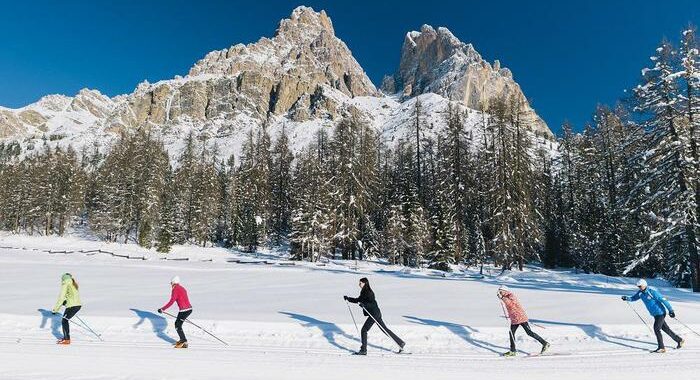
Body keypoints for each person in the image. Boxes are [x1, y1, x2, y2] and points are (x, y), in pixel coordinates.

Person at [344, 277, 405, 355]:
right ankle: (400, 343)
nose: (359, 284)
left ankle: (363, 350)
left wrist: (364, 305)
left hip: (374, 314)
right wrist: (348, 299)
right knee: (384, 329)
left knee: (364, 330)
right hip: (376, 313)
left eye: (361, 283)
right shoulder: (363, 292)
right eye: (359, 283)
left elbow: (372, 303)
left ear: (365, 283)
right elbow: (358, 300)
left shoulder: (369, 292)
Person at [622, 279, 684, 353]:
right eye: (638, 286)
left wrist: (671, 310)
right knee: (665, 328)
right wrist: (627, 298)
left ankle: (661, 348)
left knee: (656, 328)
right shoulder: (640, 293)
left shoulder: (652, 292)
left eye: (640, 286)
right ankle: (679, 340)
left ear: (644, 285)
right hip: (655, 314)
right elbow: (633, 298)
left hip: (660, 313)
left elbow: (664, 300)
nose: (639, 288)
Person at [498, 285, 549, 357]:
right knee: (511, 333)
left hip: (521, 317)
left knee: (529, 332)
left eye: (501, 292)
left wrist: (503, 298)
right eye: (499, 292)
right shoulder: (506, 297)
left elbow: (511, 304)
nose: (500, 293)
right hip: (514, 319)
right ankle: (513, 350)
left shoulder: (511, 296)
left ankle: (545, 343)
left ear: (505, 291)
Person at [158, 276, 192, 348]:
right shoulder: (182, 288)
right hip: (187, 309)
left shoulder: (175, 289)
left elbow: (171, 301)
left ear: (173, 283)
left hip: (184, 310)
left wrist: (162, 309)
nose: (171, 285)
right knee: (177, 324)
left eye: (171, 283)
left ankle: (183, 341)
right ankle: (183, 340)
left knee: (177, 325)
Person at [52, 273, 82, 345]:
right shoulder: (73, 283)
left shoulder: (65, 284)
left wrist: (55, 310)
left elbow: (61, 297)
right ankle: (66, 338)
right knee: (64, 320)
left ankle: (67, 340)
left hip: (72, 306)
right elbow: (72, 296)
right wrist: (66, 302)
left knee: (64, 321)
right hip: (76, 305)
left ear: (64, 279)